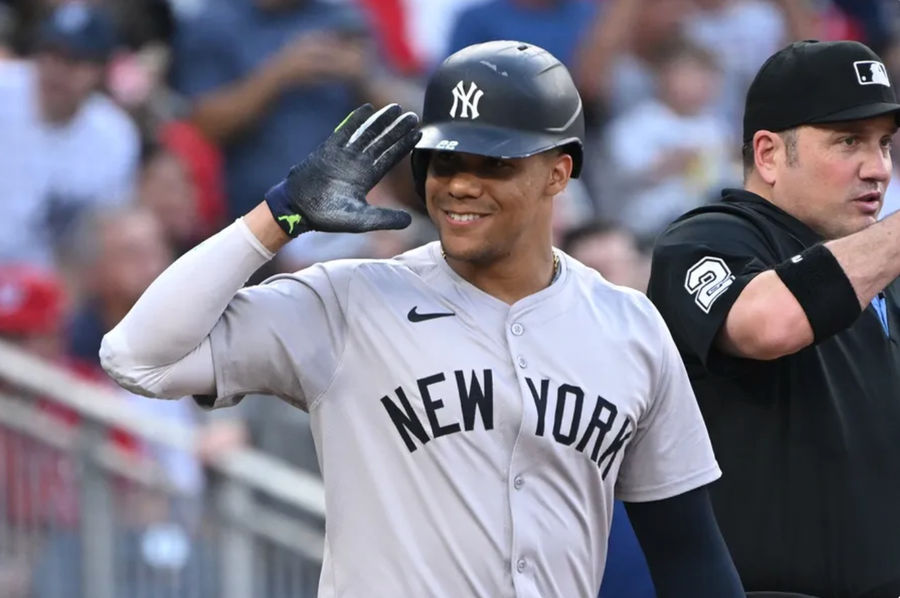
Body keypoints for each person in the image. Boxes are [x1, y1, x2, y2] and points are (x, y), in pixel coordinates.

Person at [100, 41, 743, 596]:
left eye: (494, 162)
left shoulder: (629, 325)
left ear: (558, 173)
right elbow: (138, 356)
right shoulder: (348, 300)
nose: (460, 184)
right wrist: (280, 215)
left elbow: (688, 551)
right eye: (445, 160)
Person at [647, 39, 900, 597]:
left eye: (885, 143)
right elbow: (767, 325)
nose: (878, 167)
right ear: (767, 154)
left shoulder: (882, 263)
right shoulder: (706, 238)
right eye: (848, 142)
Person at [0, 1, 139, 267]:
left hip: (44, 288)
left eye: (73, 60)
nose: (57, 71)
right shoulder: (4, 88)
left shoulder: (115, 136)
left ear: (100, 71)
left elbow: (102, 233)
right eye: (51, 54)